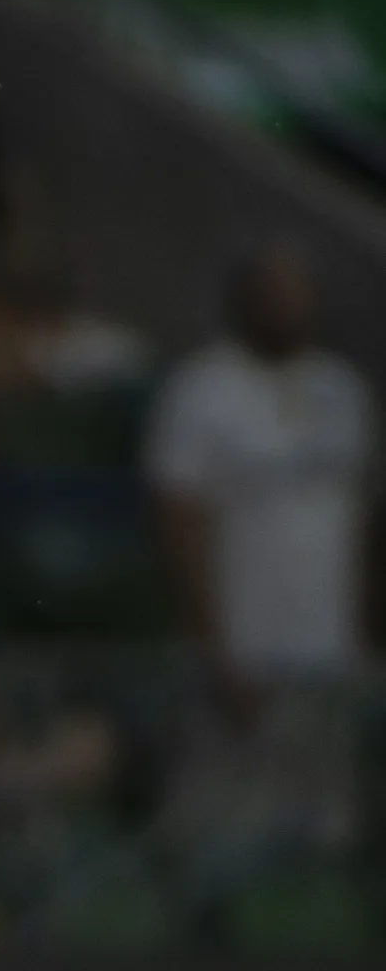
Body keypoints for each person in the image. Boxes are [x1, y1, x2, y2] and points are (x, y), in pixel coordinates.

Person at [148, 243, 371, 696]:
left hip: (331, 645)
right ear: (243, 300)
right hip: (243, 647)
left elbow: (364, 519)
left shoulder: (343, 388)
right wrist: (211, 646)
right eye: (271, 292)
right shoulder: (202, 388)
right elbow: (176, 520)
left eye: (296, 292)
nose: (284, 305)